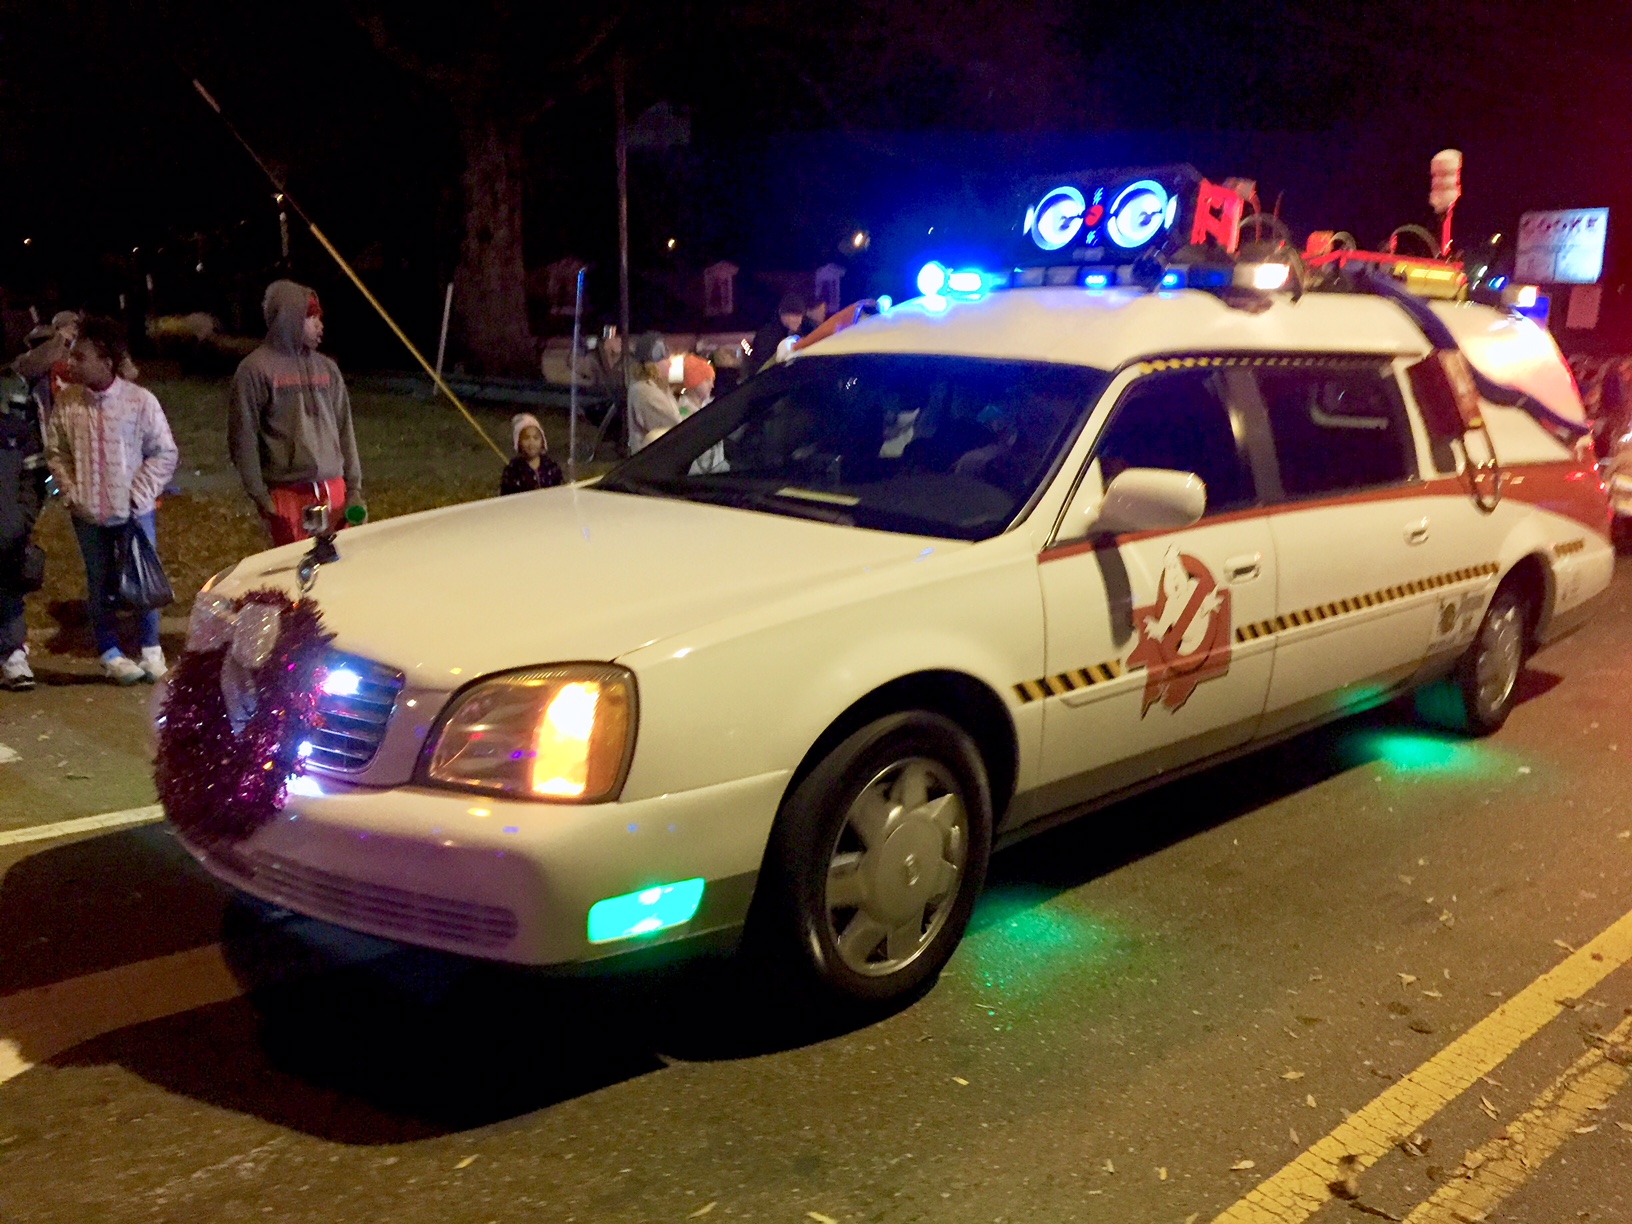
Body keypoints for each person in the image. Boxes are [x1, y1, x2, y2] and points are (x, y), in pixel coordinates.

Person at [45, 316, 178, 685]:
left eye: (80, 357)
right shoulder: (68, 403)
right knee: (100, 580)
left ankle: (151, 648)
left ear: (106, 361)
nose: (71, 363)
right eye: (72, 355)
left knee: (142, 577)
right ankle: (110, 652)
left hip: (134, 512)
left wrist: (140, 493)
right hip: (88, 514)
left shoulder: (140, 401)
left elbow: (164, 452)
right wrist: (71, 493)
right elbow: (56, 452)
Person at [229, 280, 364, 545]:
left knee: (340, 563)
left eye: (319, 318)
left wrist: (354, 489)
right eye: (311, 318)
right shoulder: (255, 370)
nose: (319, 325)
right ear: (288, 319)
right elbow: (243, 437)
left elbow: (344, 430)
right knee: (294, 565)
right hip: (287, 494)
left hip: (333, 490)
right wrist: (261, 496)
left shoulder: (327, 369)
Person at [0, 370, 47, 690]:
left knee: (9, 593)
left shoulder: (15, 431)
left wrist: (22, 519)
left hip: (8, 531)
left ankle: (13, 656)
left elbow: (34, 480)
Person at [626, 333, 683, 453]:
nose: (670, 364)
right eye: (665, 359)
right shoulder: (645, 391)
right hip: (654, 459)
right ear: (652, 364)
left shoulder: (658, 388)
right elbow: (675, 427)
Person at [743, 292, 807, 379]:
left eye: (800, 316)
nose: (799, 321)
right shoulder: (767, 336)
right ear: (782, 315)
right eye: (795, 316)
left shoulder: (801, 331)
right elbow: (762, 366)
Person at [499, 413, 564, 495]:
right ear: (518, 442)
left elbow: (561, 493)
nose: (531, 442)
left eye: (536, 438)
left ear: (542, 441)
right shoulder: (513, 471)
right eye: (526, 438)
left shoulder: (551, 467)